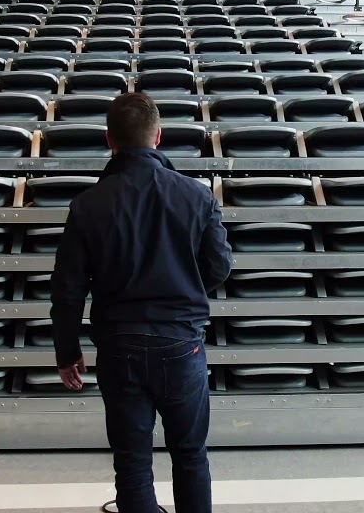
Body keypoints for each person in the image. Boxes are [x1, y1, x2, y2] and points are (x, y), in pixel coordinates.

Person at [51, 92, 233, 513]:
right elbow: (220, 266)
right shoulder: (197, 195)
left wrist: (67, 351)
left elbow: (67, 288)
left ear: (110, 140)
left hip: (119, 346)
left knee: (132, 463)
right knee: (190, 455)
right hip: (181, 343)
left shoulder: (87, 204)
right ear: (159, 136)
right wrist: (185, 288)